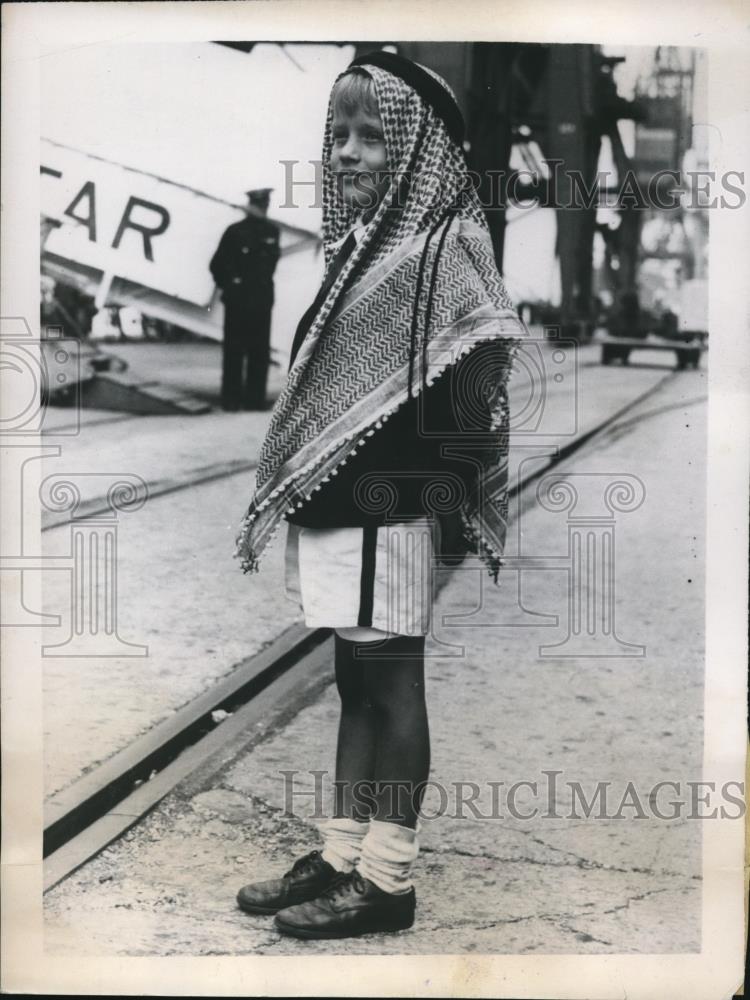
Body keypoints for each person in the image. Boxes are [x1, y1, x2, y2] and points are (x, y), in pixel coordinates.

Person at [233, 51, 529, 939]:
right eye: (339, 135)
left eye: (373, 135)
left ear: (420, 148)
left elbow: (475, 386)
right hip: (340, 509)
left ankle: (387, 880)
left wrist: (435, 508)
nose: (349, 152)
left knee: (393, 689)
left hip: (384, 509)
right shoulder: (366, 248)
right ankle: (340, 854)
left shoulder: (446, 248)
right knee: (353, 683)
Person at [209, 187, 280, 410]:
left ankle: (254, 400)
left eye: (264, 205)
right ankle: (231, 400)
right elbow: (216, 265)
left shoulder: (272, 231)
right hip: (238, 301)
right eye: (259, 205)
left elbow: (270, 265)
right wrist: (230, 285)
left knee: (260, 352)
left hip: (261, 300)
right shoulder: (234, 232)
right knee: (234, 351)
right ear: (250, 206)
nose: (262, 209)